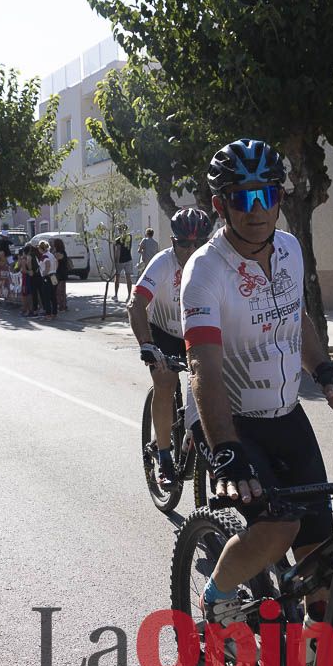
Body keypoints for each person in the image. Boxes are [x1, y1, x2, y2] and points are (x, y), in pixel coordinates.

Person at [183, 139, 333, 629]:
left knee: (319, 555)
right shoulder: (204, 272)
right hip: (227, 419)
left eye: (266, 195)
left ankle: (313, 655)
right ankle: (217, 597)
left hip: (284, 413)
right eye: (242, 198)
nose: (256, 210)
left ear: (279, 197)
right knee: (279, 527)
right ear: (220, 205)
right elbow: (203, 368)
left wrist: (323, 369)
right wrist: (226, 449)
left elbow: (296, 318)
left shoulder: (290, 249)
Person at [129, 208, 211, 486]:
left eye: (198, 243)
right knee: (165, 382)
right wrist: (146, 344)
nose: (191, 250)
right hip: (163, 333)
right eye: (184, 243)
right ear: (173, 241)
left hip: (196, 334)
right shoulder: (162, 263)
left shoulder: (213, 263)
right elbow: (136, 303)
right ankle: (164, 458)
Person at [112, 225, 134, 302]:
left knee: (117, 277)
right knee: (128, 278)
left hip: (120, 260)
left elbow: (118, 251)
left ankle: (116, 295)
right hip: (128, 259)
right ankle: (129, 295)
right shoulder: (129, 237)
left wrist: (116, 261)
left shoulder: (118, 240)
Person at [37, 240, 57, 320]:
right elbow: (56, 263)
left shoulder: (44, 256)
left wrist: (45, 273)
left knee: (46, 296)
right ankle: (54, 313)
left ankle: (48, 314)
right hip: (53, 275)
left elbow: (47, 264)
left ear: (41, 248)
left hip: (47, 277)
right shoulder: (51, 254)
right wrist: (54, 270)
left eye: (39, 248)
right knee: (53, 295)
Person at [52, 237, 70, 312]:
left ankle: (63, 306)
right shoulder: (57, 252)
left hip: (60, 274)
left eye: (54, 243)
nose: (52, 245)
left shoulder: (61, 252)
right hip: (56, 274)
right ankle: (60, 305)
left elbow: (56, 258)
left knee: (60, 290)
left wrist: (53, 252)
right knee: (57, 291)